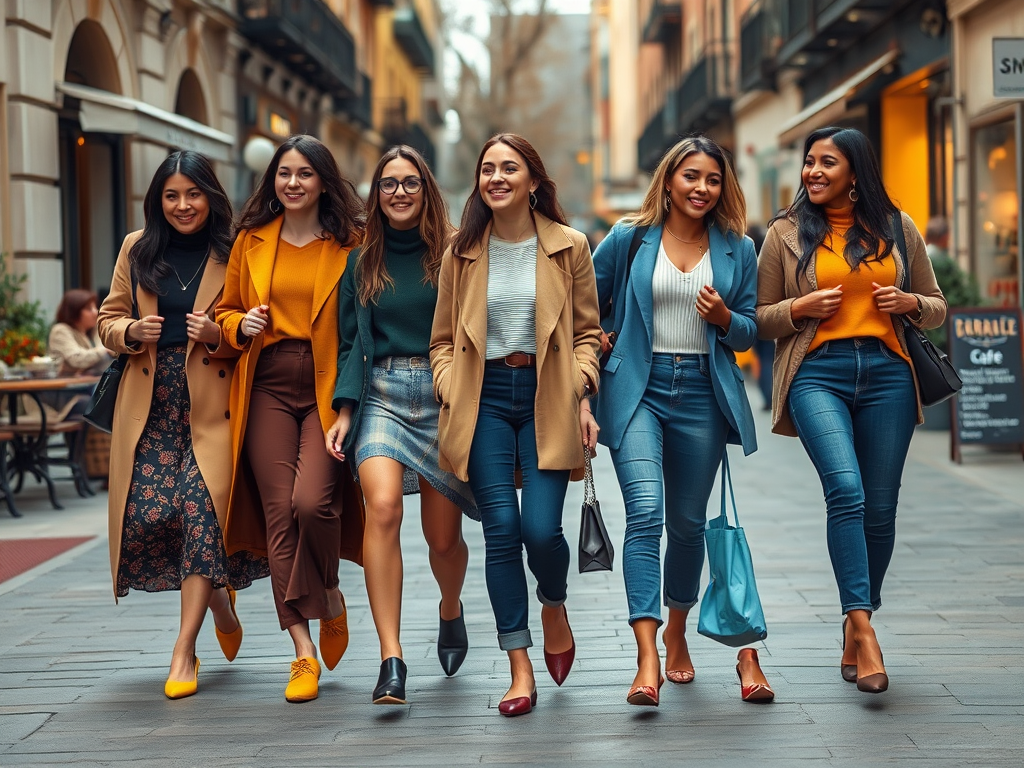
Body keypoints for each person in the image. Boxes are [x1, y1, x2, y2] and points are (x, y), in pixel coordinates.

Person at [756, 126, 946, 694]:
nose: (812, 171)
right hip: (817, 374)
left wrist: (910, 302)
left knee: (881, 511)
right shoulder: (785, 234)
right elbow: (761, 315)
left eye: (826, 163)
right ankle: (863, 630)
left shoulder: (897, 228)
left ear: (856, 174)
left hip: (889, 375)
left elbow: (936, 306)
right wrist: (800, 306)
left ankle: (855, 618)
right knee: (847, 491)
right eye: (809, 162)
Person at [592, 136, 771, 707]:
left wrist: (724, 317)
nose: (701, 188)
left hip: (701, 393)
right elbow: (582, 303)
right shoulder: (629, 238)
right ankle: (647, 655)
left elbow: (751, 329)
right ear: (669, 179)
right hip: (636, 390)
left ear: (724, 187)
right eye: (691, 176)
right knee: (645, 513)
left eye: (713, 179)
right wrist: (593, 337)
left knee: (688, 527)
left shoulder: (737, 248)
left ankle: (676, 627)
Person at [430, 133, 602, 717]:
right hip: (482, 400)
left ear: (533, 180)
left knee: (541, 530)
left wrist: (581, 388)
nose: (496, 177)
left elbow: (586, 333)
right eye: (487, 169)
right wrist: (452, 386)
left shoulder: (569, 246)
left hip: (547, 395)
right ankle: (519, 665)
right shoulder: (461, 251)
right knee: (500, 528)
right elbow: (441, 342)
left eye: (510, 168)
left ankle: (553, 602)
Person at [96, 150, 267, 699]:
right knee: (150, 516)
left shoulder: (235, 248)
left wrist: (221, 335)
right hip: (149, 404)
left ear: (209, 196)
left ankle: (184, 649)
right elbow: (106, 319)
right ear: (158, 201)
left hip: (211, 403)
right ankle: (219, 599)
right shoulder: (136, 248)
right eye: (171, 195)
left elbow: (253, 328)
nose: (182, 205)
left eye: (192, 194)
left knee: (199, 514)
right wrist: (129, 332)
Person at [216, 134, 366, 704]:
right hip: (267, 384)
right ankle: (302, 651)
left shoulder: (352, 243)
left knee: (314, 502)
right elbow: (225, 311)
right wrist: (238, 327)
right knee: (280, 510)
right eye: (284, 173)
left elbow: (360, 330)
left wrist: (350, 404)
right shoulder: (251, 241)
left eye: (305, 173)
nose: (293, 183)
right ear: (272, 181)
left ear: (324, 181)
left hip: (328, 384)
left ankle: (329, 591)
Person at [327, 146, 476, 705]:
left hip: (443, 400)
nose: (399, 193)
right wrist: (345, 411)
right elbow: (350, 344)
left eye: (409, 182)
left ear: (426, 189)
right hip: (383, 396)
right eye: (388, 184)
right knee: (383, 507)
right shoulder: (360, 262)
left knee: (443, 539)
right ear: (376, 194)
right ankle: (392, 659)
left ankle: (450, 607)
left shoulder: (457, 254)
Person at [49, 289, 114, 376]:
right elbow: (76, 359)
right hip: (68, 386)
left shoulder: (94, 329)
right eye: (89, 309)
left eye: (95, 307)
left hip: (91, 382)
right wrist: (104, 351)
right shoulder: (60, 330)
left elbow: (113, 350)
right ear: (74, 312)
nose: (96, 312)